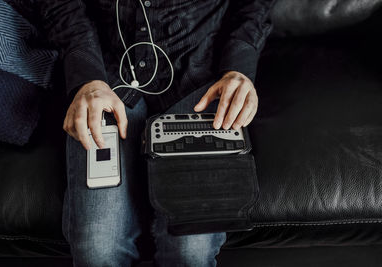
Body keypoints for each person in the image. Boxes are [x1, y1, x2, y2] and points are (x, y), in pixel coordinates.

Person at [37, 0, 274, 266]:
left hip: (202, 77)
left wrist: (238, 68)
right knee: (98, 249)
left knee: (189, 250)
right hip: (109, 75)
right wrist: (87, 78)